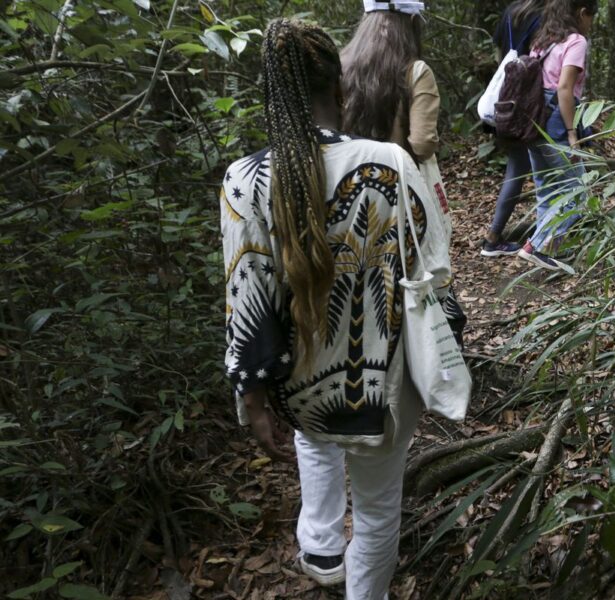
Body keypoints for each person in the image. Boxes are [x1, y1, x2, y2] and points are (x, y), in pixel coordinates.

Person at [220, 17, 461, 596]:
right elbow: (435, 274)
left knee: (315, 440)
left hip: (302, 390)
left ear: (271, 97)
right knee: (379, 512)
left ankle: (321, 548)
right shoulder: (392, 163)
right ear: (340, 89)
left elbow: (246, 295)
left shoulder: (244, 179)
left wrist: (252, 397)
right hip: (384, 388)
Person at [341, 0, 452, 231]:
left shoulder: (342, 66)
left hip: (350, 187)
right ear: (411, 21)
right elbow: (422, 145)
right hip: (398, 190)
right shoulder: (416, 71)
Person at [516, 0, 598, 273]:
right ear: (582, 13)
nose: (591, 24)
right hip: (556, 119)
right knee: (578, 191)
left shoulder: (543, 41)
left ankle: (543, 251)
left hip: (533, 118)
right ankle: (537, 246)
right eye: (591, 17)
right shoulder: (576, 41)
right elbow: (565, 88)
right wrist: (572, 131)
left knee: (547, 190)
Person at [480, 0, 546, 257]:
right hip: (527, 97)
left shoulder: (512, 11)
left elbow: (500, 52)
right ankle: (494, 237)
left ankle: (497, 236)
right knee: (520, 168)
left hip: (506, 93)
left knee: (517, 165)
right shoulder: (542, 16)